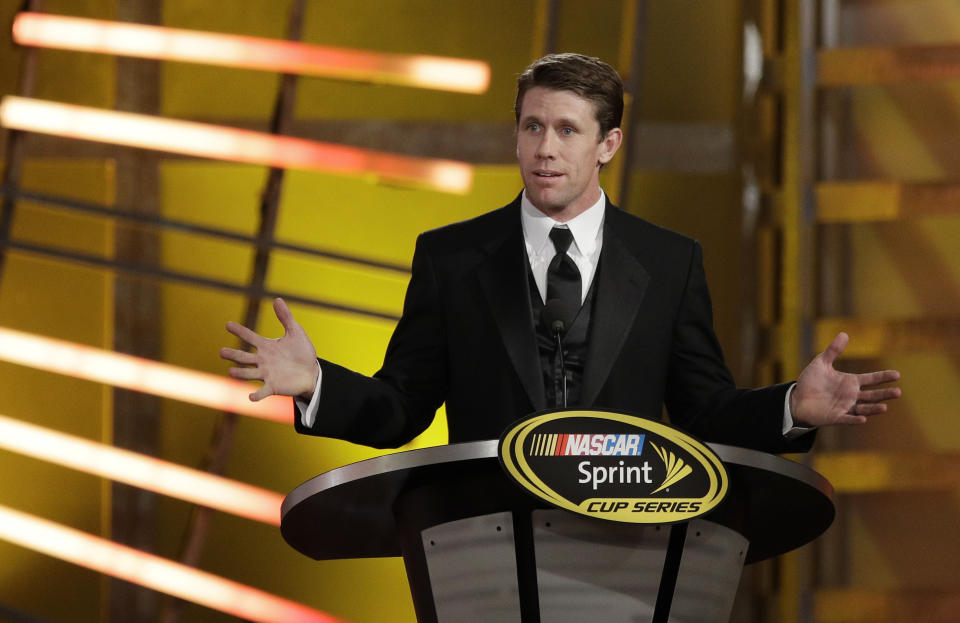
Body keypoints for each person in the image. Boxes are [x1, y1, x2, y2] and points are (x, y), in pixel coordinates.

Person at [220, 53, 900, 452]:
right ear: (515, 136)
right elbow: (403, 408)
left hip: (625, 548)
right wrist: (319, 384)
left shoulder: (668, 262)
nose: (546, 147)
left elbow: (705, 411)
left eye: (567, 130)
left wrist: (790, 406)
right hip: (483, 545)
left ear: (608, 144)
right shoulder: (452, 259)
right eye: (532, 126)